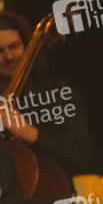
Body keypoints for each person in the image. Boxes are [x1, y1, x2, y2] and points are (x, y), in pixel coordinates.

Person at [0, 11, 92, 179]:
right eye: (0, 51)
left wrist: (29, 133)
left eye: (14, 46)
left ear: (26, 46)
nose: (9, 56)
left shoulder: (59, 94)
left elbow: (81, 158)